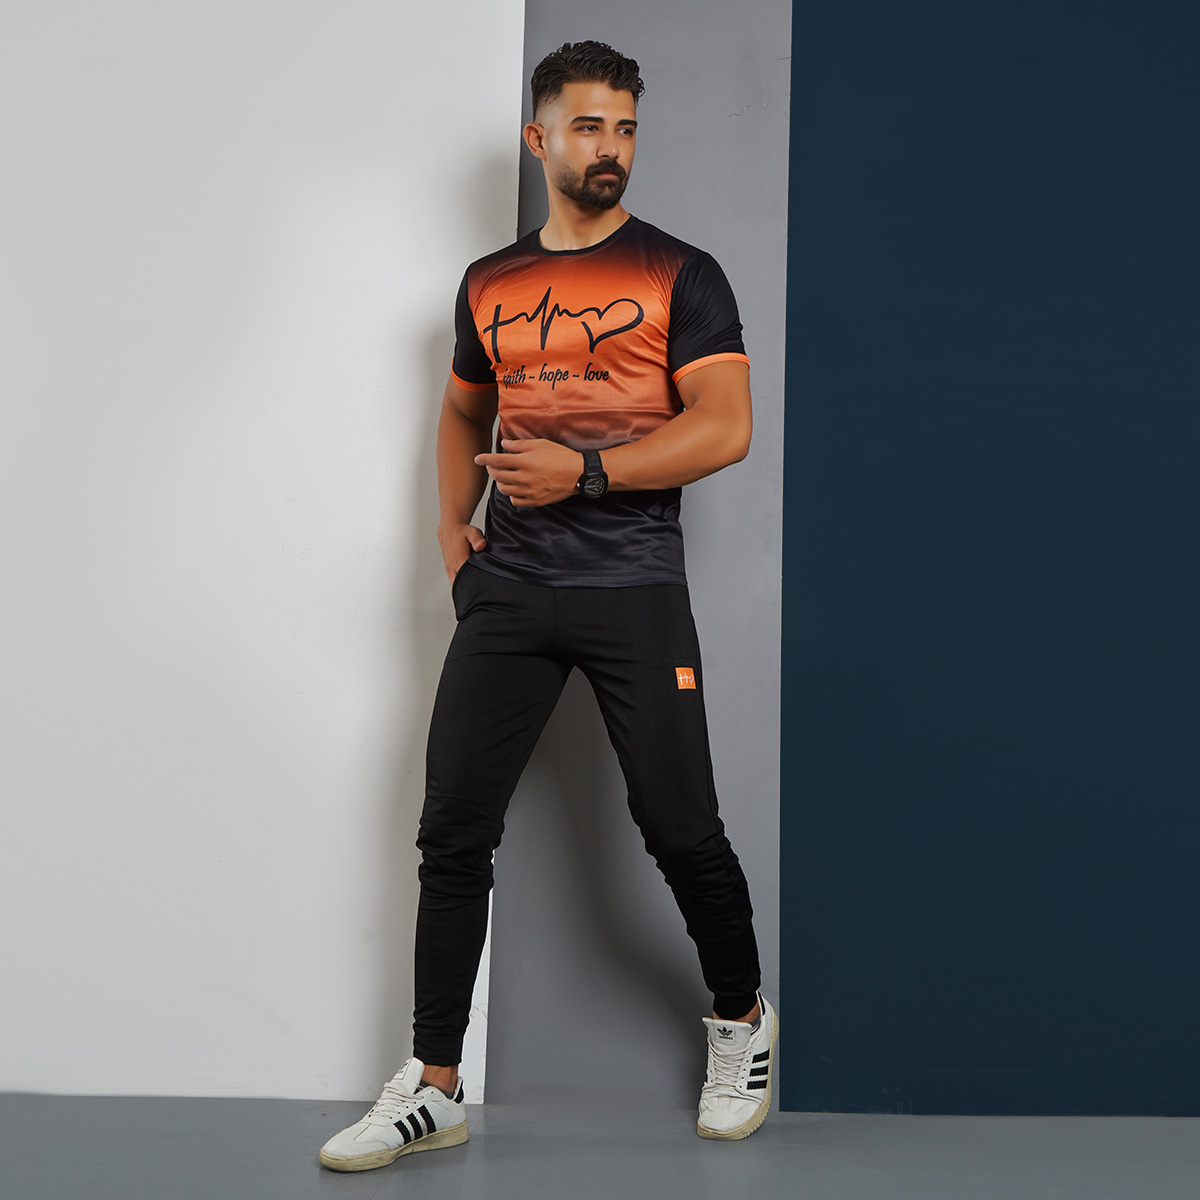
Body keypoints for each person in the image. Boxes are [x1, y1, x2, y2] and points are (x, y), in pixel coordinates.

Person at [319, 40, 776, 1173]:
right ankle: (434, 1086)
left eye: (624, 128)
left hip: (633, 586)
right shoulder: (491, 282)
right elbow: (460, 411)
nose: (609, 147)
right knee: (452, 831)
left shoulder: (683, 273)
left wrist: (587, 473)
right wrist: (451, 536)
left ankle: (742, 1022)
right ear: (539, 139)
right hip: (512, 589)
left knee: (679, 826)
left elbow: (726, 427)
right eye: (587, 126)